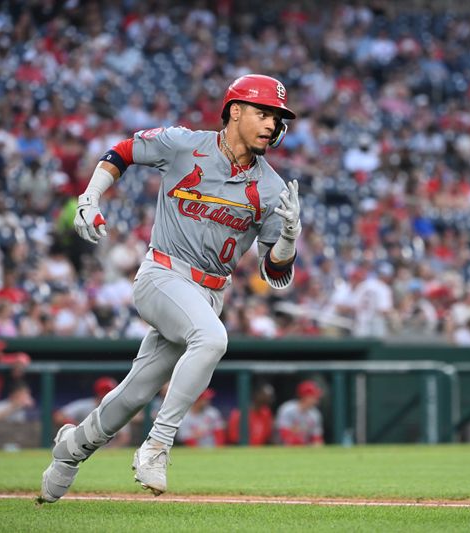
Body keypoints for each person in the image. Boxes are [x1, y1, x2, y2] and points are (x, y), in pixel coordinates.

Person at [39, 74, 301, 503]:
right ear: (234, 111)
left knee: (134, 394)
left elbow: (275, 274)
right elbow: (122, 151)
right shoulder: (185, 144)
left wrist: (288, 243)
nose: (271, 123)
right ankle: (158, 445)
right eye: (263, 111)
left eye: (277, 116)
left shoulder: (272, 188)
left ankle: (70, 450)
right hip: (162, 274)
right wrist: (90, 195)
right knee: (212, 339)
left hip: (210, 294)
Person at [52, 377, 133, 448]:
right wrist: (78, 429)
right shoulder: (84, 405)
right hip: (77, 446)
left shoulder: (118, 411)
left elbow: (124, 437)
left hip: (103, 451)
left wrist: (111, 450)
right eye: (106, 391)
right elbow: (58, 416)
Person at [275, 380, 324, 446]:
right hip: (284, 449)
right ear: (305, 396)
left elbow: (317, 438)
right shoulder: (287, 409)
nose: (316, 399)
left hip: (305, 450)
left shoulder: (315, 414)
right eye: (314, 396)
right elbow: (283, 435)